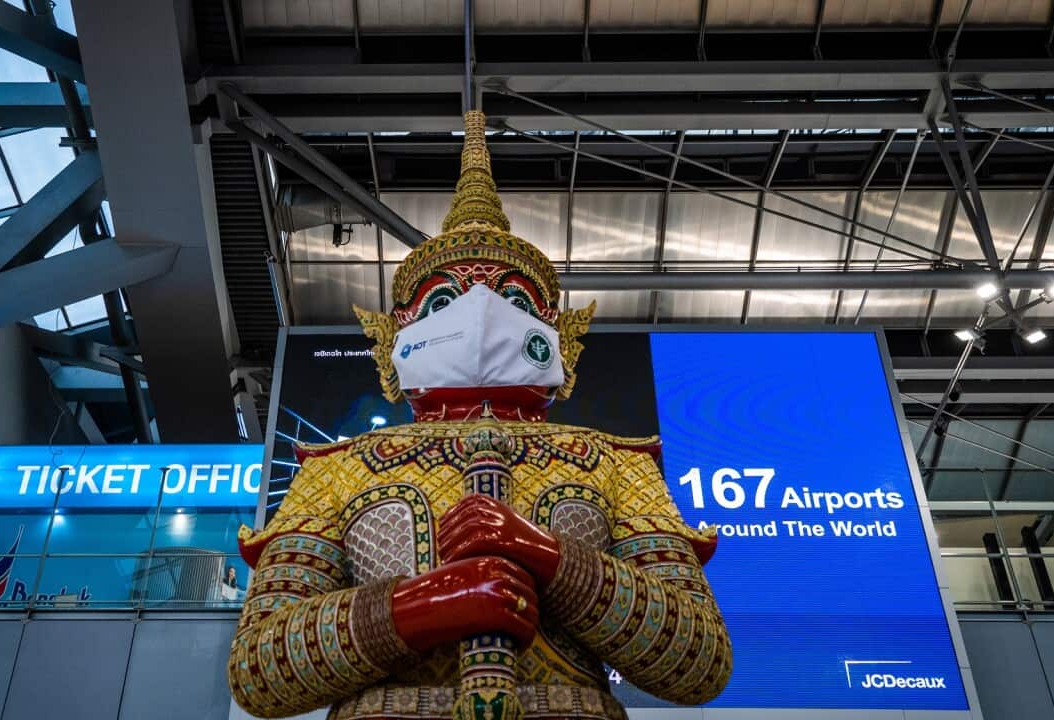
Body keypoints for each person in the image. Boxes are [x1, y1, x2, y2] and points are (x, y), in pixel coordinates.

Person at [228, 111, 732, 720]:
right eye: (442, 301)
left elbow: (699, 660)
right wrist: (419, 605)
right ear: (392, 339)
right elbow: (259, 667)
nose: (482, 311)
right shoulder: (337, 469)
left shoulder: (614, 463)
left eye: (514, 300)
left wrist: (552, 559)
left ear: (561, 339)